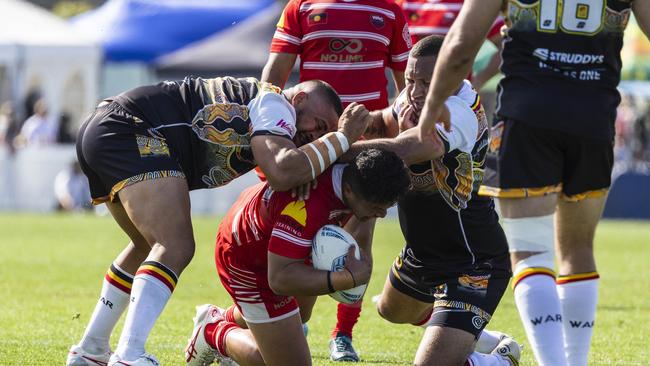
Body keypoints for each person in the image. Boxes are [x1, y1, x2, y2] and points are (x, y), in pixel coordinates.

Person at [67, 76, 370, 366]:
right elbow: (281, 171)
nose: (316, 137)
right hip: (131, 128)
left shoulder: (277, 121)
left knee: (147, 246)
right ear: (300, 98)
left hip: (111, 127)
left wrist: (305, 165)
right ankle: (129, 353)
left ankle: (92, 348)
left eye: (323, 134)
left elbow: (287, 170)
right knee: (174, 246)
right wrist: (341, 137)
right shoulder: (277, 104)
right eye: (318, 126)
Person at [417, 1, 650, 365]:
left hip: (525, 118)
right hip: (594, 120)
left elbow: (462, 44)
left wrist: (430, 110)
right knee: (578, 251)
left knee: (529, 254)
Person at [349, 35, 519, 366]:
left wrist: (334, 149)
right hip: (425, 251)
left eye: (426, 81)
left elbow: (410, 148)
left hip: (473, 260)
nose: (414, 90)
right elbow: (387, 120)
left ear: (456, 75)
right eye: (411, 79)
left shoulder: (460, 110)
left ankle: (498, 360)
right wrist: (357, 122)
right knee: (390, 310)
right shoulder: (415, 97)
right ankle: (471, 335)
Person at [261, 0, 413, 360]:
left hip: (363, 149)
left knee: (358, 242)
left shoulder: (390, 9)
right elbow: (272, 80)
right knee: (306, 246)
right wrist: (278, 146)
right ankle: (294, 326)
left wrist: (398, 126)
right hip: (313, 147)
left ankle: (343, 333)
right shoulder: (301, 6)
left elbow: (407, 85)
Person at [183, 149, 411, 366]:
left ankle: (227, 316)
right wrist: (344, 278)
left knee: (301, 312)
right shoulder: (307, 207)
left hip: (274, 237)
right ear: (349, 190)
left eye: (386, 208)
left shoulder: (350, 172)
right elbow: (280, 280)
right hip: (246, 255)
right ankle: (212, 331)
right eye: (376, 207)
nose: (381, 214)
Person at [394, 0, 504, 90]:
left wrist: (478, 81)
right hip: (414, 96)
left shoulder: (469, 4)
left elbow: (505, 44)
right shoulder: (403, 3)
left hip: (457, 97)